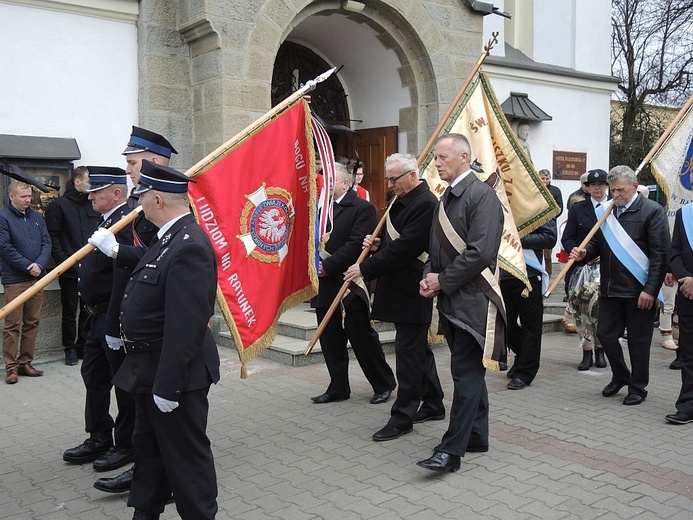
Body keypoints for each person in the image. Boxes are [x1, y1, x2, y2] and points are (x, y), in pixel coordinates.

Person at [109, 160, 220, 520]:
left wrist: (168, 386)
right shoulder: (168, 238)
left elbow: (186, 325)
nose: (138, 203)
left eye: (141, 196)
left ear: (157, 200)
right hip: (147, 369)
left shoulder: (189, 244)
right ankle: (146, 513)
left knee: (186, 462)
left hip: (174, 377)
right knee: (149, 452)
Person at [87, 125, 177, 494]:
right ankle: (146, 468)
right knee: (141, 405)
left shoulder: (165, 202)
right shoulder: (141, 203)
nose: (128, 169)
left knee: (155, 406)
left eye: (134, 162)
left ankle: (155, 473)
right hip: (129, 320)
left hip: (157, 327)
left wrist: (117, 251)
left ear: (155, 161)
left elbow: (160, 260)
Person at [418, 133, 504, 472]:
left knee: (465, 375)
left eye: (441, 157)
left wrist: (443, 279)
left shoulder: (482, 196)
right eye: (436, 158)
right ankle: (477, 435)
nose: (436, 164)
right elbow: (435, 248)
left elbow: (480, 252)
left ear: (464, 157)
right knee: (468, 374)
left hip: (474, 302)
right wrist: (429, 275)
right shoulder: (447, 198)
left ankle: (451, 451)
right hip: (453, 299)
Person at [344, 153, 444, 442]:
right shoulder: (402, 199)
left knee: (408, 356)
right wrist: (377, 245)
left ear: (412, 175)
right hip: (399, 287)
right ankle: (434, 403)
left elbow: (407, 248)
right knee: (418, 352)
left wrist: (364, 267)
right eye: (388, 178)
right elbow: (395, 242)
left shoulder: (426, 202)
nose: (389, 184)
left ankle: (403, 416)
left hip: (413, 288)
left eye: (393, 179)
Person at [570, 165, 669, 406]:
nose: (616, 195)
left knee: (638, 341)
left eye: (621, 190)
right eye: (612, 190)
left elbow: (660, 255)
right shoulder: (606, 211)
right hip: (610, 288)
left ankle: (638, 387)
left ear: (635, 187)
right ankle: (621, 376)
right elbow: (596, 244)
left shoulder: (652, 211)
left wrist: (650, 290)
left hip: (638, 291)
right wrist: (584, 252)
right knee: (605, 335)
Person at [62, 167, 136, 475]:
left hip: (114, 316)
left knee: (123, 383)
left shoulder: (130, 221)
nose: (89, 195)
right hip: (94, 317)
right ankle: (99, 435)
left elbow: (133, 268)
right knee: (93, 376)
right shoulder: (106, 220)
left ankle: (127, 443)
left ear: (116, 194)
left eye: (97, 191)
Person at [311, 163, 396, 405]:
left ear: (345, 184)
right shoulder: (321, 210)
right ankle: (338, 386)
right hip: (324, 284)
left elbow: (357, 244)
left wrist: (328, 266)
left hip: (349, 281)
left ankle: (383, 383)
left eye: (330, 181)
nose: (325, 186)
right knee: (330, 338)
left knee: (361, 337)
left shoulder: (363, 208)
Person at [45, 166, 100, 365]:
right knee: (69, 311)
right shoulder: (59, 205)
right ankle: (69, 348)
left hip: (90, 268)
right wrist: (64, 262)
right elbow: (52, 236)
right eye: (88, 181)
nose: (91, 185)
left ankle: (82, 346)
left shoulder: (91, 204)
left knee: (88, 310)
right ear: (77, 181)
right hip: (69, 268)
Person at [0, 180, 51, 384]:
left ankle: (25, 363)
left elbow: (46, 242)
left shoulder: (37, 217)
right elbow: (4, 247)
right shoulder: (3, 218)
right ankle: (11, 367)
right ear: (11, 196)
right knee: (12, 325)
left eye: (29, 196)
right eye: (23, 197)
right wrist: (28, 265)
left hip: (36, 279)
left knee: (32, 322)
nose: (28, 200)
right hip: (15, 280)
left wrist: (39, 264)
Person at [561, 169, 609, 370]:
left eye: (601, 184)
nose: (597, 188)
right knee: (581, 312)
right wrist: (574, 249)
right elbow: (567, 237)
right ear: (587, 188)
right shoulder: (579, 208)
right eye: (593, 185)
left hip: (605, 268)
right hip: (581, 268)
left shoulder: (613, 207)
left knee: (601, 313)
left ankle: (601, 351)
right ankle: (587, 352)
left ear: (607, 186)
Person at [501, 219, 556, 390]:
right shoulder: (498, 201)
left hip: (529, 275)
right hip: (502, 274)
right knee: (505, 325)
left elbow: (549, 238)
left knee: (531, 327)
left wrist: (515, 239)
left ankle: (525, 372)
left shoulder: (534, 201)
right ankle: (522, 355)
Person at [665, 205, 693, 424]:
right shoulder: (686, 212)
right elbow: (674, 254)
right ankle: (687, 405)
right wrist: (685, 278)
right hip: (688, 294)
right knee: (689, 354)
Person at [538, 169, 563, 277]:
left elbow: (559, 208)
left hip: (549, 226)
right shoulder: (534, 189)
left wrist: (550, 218)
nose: (545, 181)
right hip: (536, 225)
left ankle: (548, 275)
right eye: (543, 178)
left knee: (548, 256)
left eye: (547, 178)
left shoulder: (555, 190)